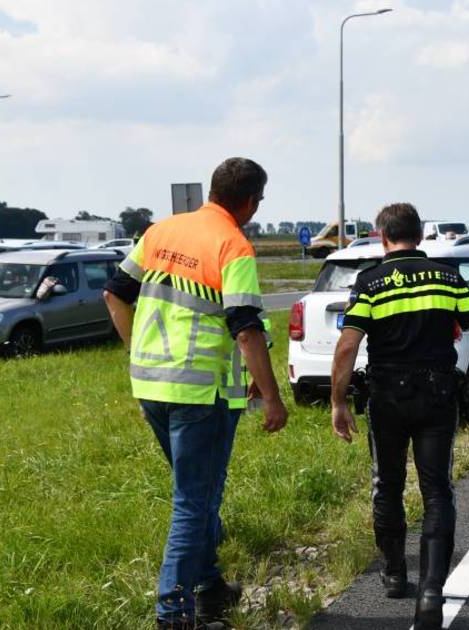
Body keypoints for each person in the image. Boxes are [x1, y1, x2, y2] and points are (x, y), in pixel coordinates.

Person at [103, 157, 288, 630]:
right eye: (259, 202)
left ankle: (209, 588)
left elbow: (115, 294)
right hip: (201, 393)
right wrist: (272, 397)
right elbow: (245, 328)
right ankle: (175, 615)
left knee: (200, 493)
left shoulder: (160, 231)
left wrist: (137, 358)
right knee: (193, 501)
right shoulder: (233, 244)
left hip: (151, 386)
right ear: (249, 201)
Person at [329, 203, 469, 630]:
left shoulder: (370, 283)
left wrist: (338, 401)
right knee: (437, 490)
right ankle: (430, 593)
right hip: (438, 395)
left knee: (386, 484)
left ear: (381, 235)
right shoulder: (447, 277)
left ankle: (393, 575)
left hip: (387, 397)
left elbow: (348, 346)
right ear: (420, 235)